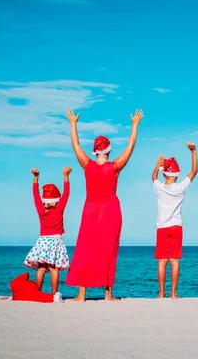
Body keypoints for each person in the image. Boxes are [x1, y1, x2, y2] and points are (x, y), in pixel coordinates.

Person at [64, 108, 144, 302]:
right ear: (108, 150)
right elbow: (130, 146)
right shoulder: (115, 167)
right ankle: (108, 294)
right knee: (109, 250)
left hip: (91, 208)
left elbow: (75, 143)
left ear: (95, 150)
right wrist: (134, 125)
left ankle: (81, 294)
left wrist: (73, 123)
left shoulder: (87, 165)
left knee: (85, 248)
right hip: (111, 210)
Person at [152, 142, 198, 299]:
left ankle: (161, 292)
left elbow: (153, 177)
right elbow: (194, 171)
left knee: (162, 261)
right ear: (177, 175)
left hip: (162, 227)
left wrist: (157, 165)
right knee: (175, 261)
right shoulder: (181, 188)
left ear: (164, 174)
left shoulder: (159, 187)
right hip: (176, 227)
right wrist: (193, 151)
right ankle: (173, 293)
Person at [24, 167, 71, 296]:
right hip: (55, 240)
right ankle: (54, 294)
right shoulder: (59, 209)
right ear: (57, 198)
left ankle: (37, 293)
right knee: (54, 269)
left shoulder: (41, 210)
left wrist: (36, 177)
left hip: (43, 241)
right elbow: (67, 194)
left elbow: (35, 195)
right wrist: (66, 176)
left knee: (41, 268)